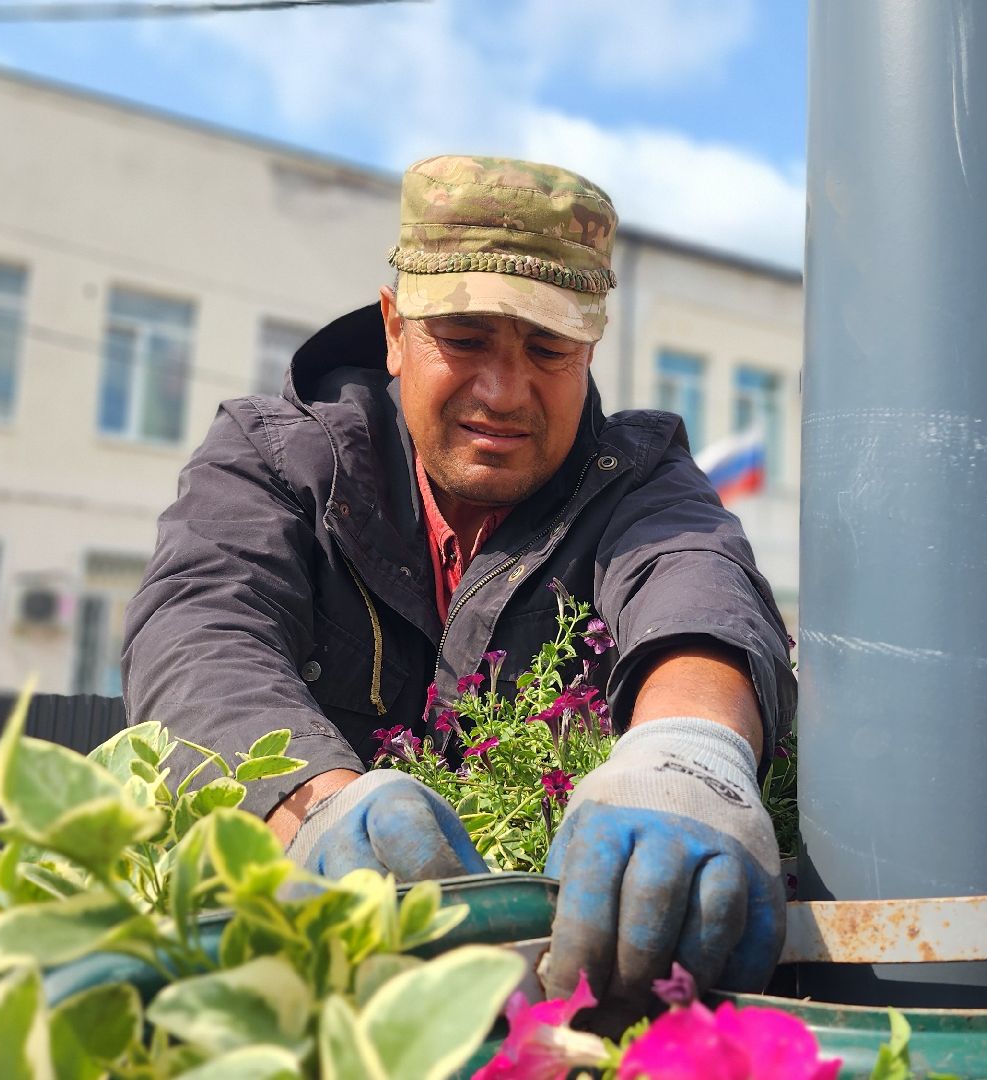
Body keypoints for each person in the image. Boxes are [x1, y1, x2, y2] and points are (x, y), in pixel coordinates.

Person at [123, 155, 796, 1012]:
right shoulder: (276, 460)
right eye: (466, 338)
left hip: (569, 1005)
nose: (503, 391)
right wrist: (312, 809)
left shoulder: (637, 473)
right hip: (322, 994)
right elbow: (199, 630)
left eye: (548, 347)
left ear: (589, 348)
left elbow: (696, 583)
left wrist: (690, 756)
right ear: (396, 329)